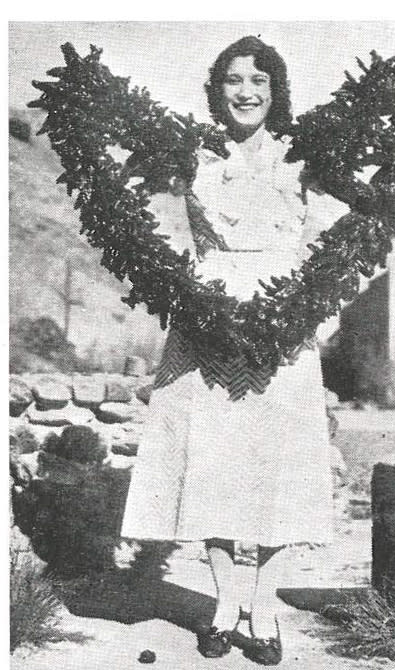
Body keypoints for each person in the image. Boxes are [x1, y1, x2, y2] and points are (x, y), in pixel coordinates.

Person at [121, 35, 340, 666]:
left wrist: (298, 323)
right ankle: (224, 601)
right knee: (211, 462)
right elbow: (159, 239)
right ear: (216, 90)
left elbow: (327, 251)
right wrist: (196, 313)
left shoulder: (304, 161)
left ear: (277, 92)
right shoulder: (191, 157)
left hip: (284, 323)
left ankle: (263, 605)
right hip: (206, 319)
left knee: (278, 467)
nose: (246, 92)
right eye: (234, 80)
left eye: (260, 81)